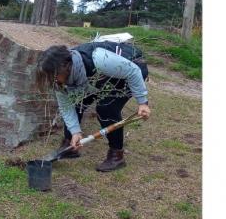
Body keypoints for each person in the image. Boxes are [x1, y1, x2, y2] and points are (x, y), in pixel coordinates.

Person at [35, 41, 151, 173]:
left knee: (106, 109)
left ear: (64, 67)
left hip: (130, 70)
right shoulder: (60, 80)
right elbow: (67, 107)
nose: (52, 81)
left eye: (53, 76)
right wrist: (75, 132)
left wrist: (142, 102)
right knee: (77, 102)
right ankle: (71, 145)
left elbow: (133, 71)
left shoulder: (99, 59)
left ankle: (116, 155)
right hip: (102, 78)